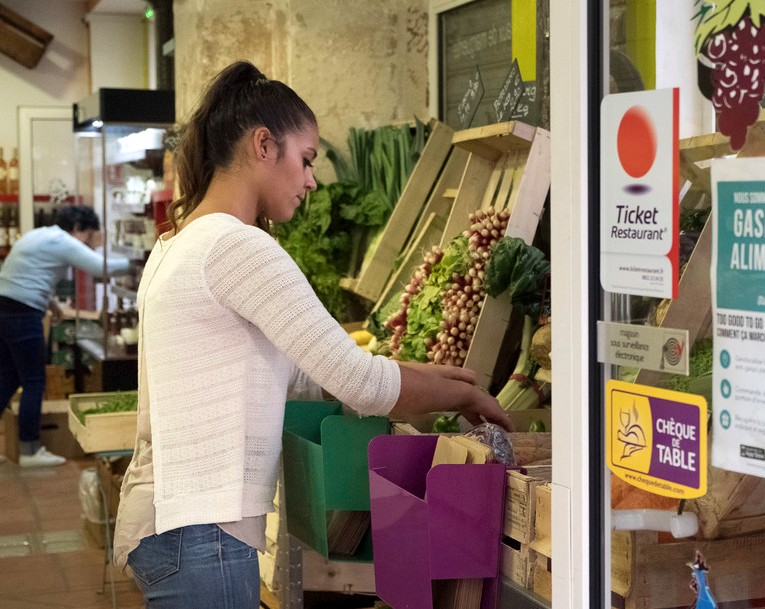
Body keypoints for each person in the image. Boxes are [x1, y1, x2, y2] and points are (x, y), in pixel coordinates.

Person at [112, 61, 513, 608]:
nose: (310, 180)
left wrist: (430, 376)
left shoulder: (180, 244)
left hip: (174, 522)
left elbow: (308, 375)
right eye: (305, 160)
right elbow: (358, 382)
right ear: (263, 145)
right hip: (200, 530)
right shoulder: (237, 248)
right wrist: (466, 394)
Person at [0, 205, 129, 467]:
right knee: (35, 381)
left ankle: (27, 447)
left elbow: (27, 274)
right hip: (23, 313)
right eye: (93, 235)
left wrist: (51, 303)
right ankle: (29, 450)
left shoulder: (41, 235)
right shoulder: (63, 241)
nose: (93, 243)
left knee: (8, 378)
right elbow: (101, 268)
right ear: (80, 230)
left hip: (6, 307)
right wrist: (145, 258)